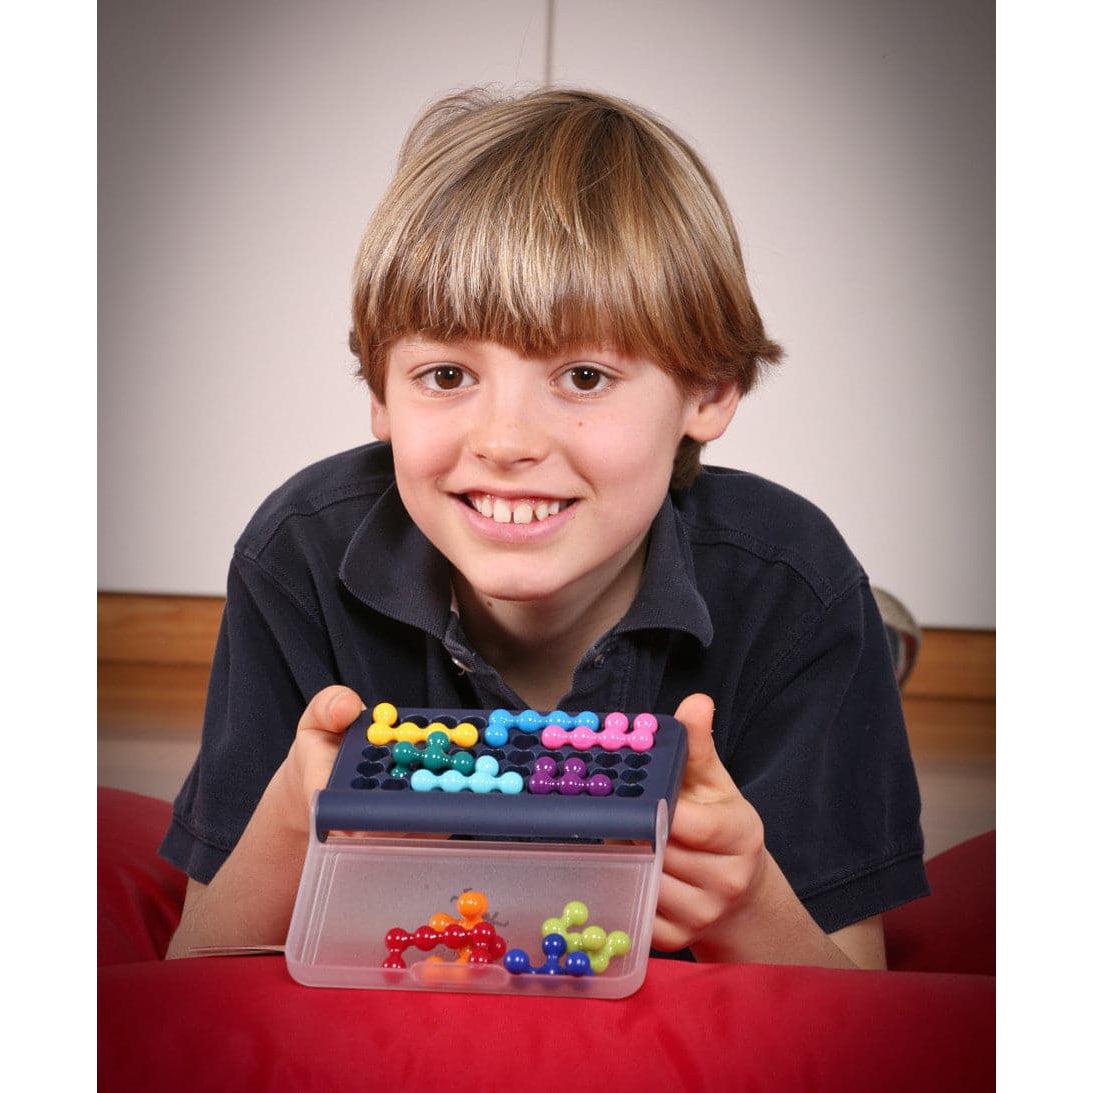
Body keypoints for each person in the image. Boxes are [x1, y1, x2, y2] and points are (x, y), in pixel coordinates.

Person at [161, 87, 927, 968]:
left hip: (778, 618)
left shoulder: (793, 581)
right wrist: (295, 818)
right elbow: (195, 967)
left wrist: (747, 902)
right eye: (447, 375)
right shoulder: (296, 554)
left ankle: (873, 638)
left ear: (709, 391)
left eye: (584, 376)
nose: (505, 442)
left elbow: (854, 996)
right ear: (379, 393)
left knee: (835, 621)